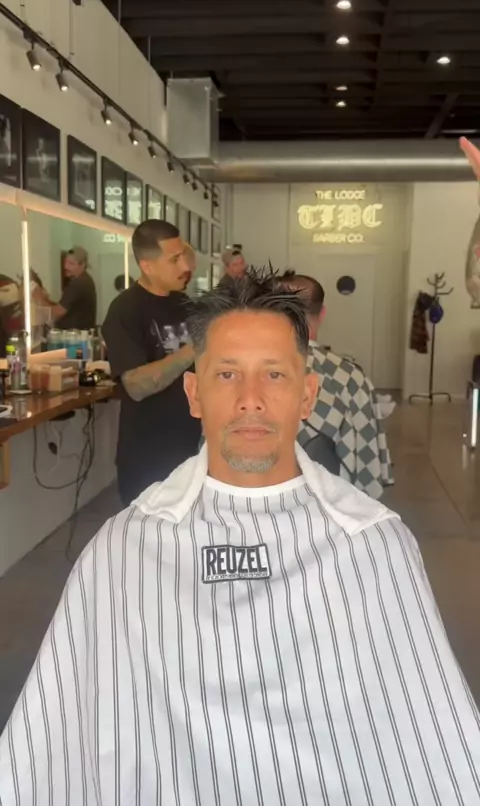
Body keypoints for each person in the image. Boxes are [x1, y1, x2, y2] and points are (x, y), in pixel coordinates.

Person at [2, 270, 480, 804]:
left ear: (307, 394)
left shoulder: (373, 545)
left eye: (274, 375)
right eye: (227, 374)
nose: (251, 399)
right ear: (194, 393)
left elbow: (439, 747)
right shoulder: (125, 549)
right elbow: (46, 748)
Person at [102, 219, 201, 505]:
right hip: (147, 453)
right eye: (174, 259)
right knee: (149, 531)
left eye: (184, 256)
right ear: (147, 266)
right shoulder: (124, 311)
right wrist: (192, 350)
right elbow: (136, 386)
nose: (185, 266)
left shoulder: (184, 304)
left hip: (189, 446)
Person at [280, 270, 393, 499]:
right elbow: (367, 468)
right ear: (321, 314)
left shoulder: (242, 372)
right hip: (333, 506)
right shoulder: (349, 378)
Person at [37, 246, 97, 330]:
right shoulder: (85, 280)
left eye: (71, 263)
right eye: (65, 262)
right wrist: (46, 300)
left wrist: (39, 298)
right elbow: (65, 306)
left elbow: (57, 312)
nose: (66, 266)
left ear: (82, 265)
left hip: (75, 336)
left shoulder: (78, 284)